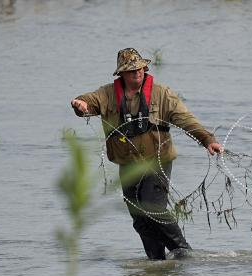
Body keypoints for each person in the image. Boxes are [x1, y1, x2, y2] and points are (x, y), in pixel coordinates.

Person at [70, 48, 223, 259]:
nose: (137, 73)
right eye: (131, 70)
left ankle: (183, 252)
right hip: (127, 163)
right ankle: (157, 263)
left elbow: (185, 119)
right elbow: (89, 102)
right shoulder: (107, 94)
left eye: (140, 69)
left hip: (157, 160)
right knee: (139, 219)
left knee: (151, 206)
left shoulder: (162, 94)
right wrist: (81, 105)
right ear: (121, 73)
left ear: (145, 68)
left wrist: (207, 140)